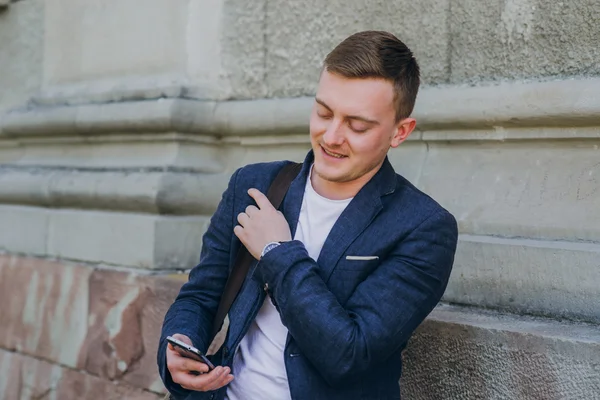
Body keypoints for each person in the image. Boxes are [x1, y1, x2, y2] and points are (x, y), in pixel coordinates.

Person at [158, 30, 458, 400]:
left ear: (400, 132)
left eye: (357, 125)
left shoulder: (424, 228)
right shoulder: (253, 186)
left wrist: (276, 251)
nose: (331, 136)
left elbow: (348, 354)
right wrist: (180, 342)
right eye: (323, 112)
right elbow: (200, 296)